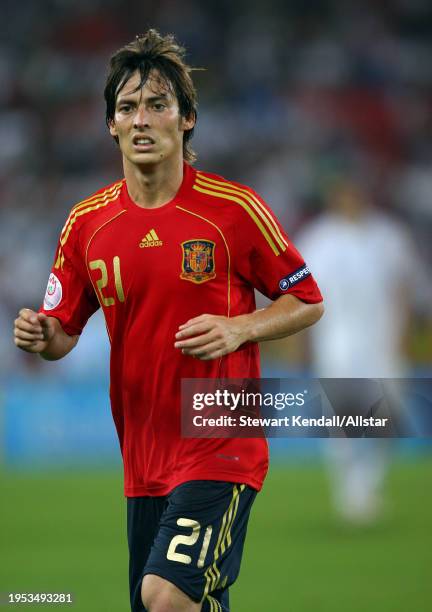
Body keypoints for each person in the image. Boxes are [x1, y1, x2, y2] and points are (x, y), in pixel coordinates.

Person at [14, 30, 323, 612]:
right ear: (111, 124)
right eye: (127, 107)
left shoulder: (233, 210)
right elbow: (61, 334)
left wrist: (242, 328)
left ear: (186, 119)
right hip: (144, 454)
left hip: (221, 438)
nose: (141, 119)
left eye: (158, 104)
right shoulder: (87, 224)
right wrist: (40, 335)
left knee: (165, 597)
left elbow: (307, 299)